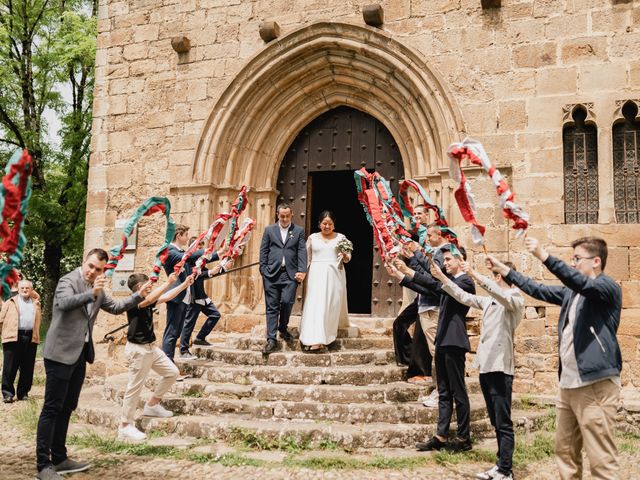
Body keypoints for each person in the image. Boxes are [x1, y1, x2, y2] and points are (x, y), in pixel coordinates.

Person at [488, 236, 622, 479]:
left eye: (577, 259)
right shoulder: (571, 294)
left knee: (601, 460)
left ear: (596, 261)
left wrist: (543, 255)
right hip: (568, 385)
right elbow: (537, 289)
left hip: (595, 387)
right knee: (566, 453)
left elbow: (580, 282)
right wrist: (505, 270)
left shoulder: (606, 288)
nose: (572, 264)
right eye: (571, 259)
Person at [36, 248, 148, 480]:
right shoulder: (68, 280)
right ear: (84, 261)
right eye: (91, 266)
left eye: (99, 269)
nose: (93, 272)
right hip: (59, 354)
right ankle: (43, 465)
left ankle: (59, 458)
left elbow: (116, 308)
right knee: (52, 408)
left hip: (79, 355)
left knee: (68, 407)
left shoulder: (98, 289)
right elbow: (64, 303)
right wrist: (91, 293)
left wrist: (139, 295)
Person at [431, 258, 524, 480]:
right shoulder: (490, 301)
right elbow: (464, 297)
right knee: (495, 420)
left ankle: (506, 470)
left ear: (500, 276)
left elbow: (500, 295)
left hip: (501, 368)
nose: (492, 278)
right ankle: (500, 465)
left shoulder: (515, 299)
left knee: (503, 421)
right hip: (486, 366)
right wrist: (442, 277)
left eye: (494, 274)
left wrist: (473, 274)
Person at [394, 246, 476, 452]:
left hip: (454, 341)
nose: (445, 263)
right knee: (445, 391)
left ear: (461, 260)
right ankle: (440, 436)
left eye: (449, 259)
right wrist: (404, 273)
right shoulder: (449, 282)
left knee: (458, 391)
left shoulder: (465, 281)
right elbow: (430, 287)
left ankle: (464, 438)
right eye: (445, 260)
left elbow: (440, 285)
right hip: (442, 339)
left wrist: (414, 270)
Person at [118, 270, 195, 442]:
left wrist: (184, 285)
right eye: (148, 285)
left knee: (172, 373)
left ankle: (152, 405)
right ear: (139, 287)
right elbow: (151, 298)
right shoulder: (134, 302)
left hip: (151, 349)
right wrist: (167, 282)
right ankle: (124, 426)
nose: (151, 286)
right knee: (134, 387)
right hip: (138, 350)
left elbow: (165, 297)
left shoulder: (148, 300)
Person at [397, 223, 451, 406]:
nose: (426, 239)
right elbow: (427, 276)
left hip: (432, 307)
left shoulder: (442, 253)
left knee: (438, 353)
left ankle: (442, 392)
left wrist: (410, 266)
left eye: (429, 235)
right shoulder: (437, 252)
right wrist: (410, 263)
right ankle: (440, 390)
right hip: (426, 305)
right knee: (436, 352)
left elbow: (432, 282)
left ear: (440, 234)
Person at [162, 224, 225, 361]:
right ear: (178, 236)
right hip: (176, 297)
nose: (187, 238)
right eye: (185, 235)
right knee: (172, 332)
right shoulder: (171, 251)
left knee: (177, 331)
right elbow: (189, 257)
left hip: (184, 296)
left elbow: (194, 263)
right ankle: (168, 363)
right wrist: (215, 252)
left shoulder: (180, 252)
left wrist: (219, 256)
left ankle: (170, 363)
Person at [299, 211, 351, 351]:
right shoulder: (312, 238)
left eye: (330, 224)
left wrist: (345, 255)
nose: (327, 226)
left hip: (334, 274)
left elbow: (347, 259)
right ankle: (312, 338)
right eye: (324, 223)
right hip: (316, 274)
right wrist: (302, 272)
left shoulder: (341, 238)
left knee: (330, 305)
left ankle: (327, 336)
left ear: (334, 225)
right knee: (316, 304)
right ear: (319, 224)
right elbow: (306, 258)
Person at [259, 203, 307, 354]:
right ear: (277, 215)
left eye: (287, 216)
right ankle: (271, 339)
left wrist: (302, 270)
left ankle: (282, 327)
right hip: (272, 274)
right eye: (282, 216)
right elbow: (263, 250)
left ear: (291, 215)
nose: (285, 219)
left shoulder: (298, 231)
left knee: (287, 301)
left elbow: (301, 251)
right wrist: (263, 270)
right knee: (272, 306)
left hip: (290, 274)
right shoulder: (269, 230)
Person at [1, 279, 41, 403]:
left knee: (27, 367)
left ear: (31, 290)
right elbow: (1, 319)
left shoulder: (36, 303)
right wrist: (4, 333)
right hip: (13, 336)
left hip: (30, 336)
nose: (24, 290)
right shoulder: (10, 302)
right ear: (18, 289)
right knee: (10, 367)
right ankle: (8, 393)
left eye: (27, 288)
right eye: (22, 288)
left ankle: (23, 393)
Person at [180, 237, 224, 349]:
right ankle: (183, 349)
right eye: (199, 246)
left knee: (215, 315)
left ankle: (200, 338)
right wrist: (210, 272)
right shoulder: (188, 260)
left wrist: (223, 268)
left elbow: (205, 272)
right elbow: (197, 275)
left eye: (202, 246)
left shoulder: (199, 261)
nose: (201, 248)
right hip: (193, 296)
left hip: (201, 295)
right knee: (189, 323)